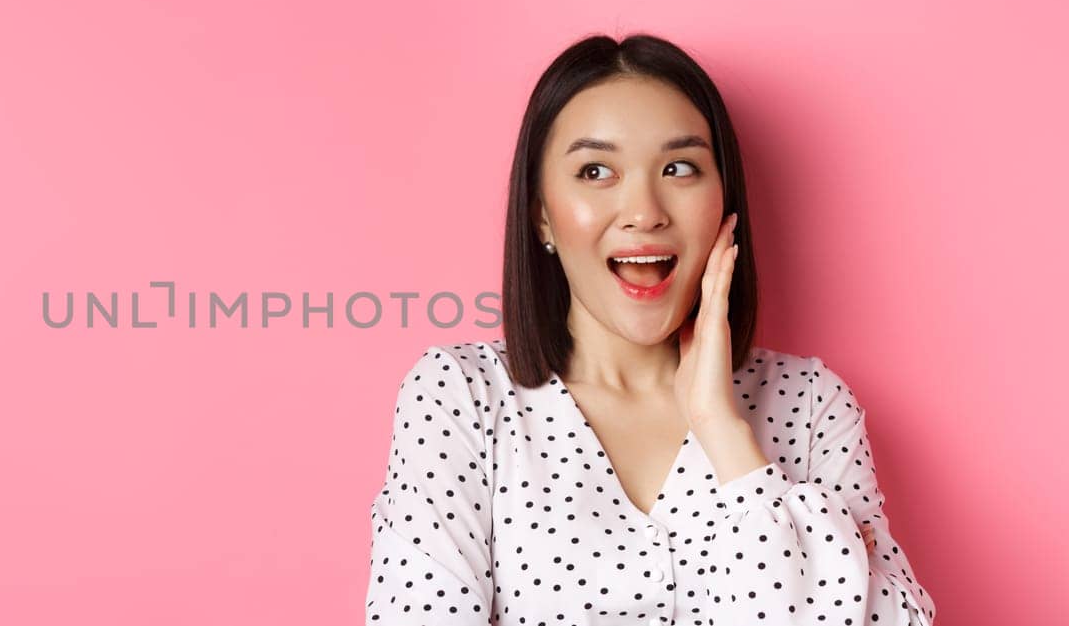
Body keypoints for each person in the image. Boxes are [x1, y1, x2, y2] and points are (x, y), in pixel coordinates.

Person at [363, 33, 937, 625]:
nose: (644, 210)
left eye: (679, 167)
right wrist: (822, 567)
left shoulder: (812, 405)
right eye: (595, 170)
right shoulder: (461, 397)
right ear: (541, 214)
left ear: (724, 201)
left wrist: (724, 431)